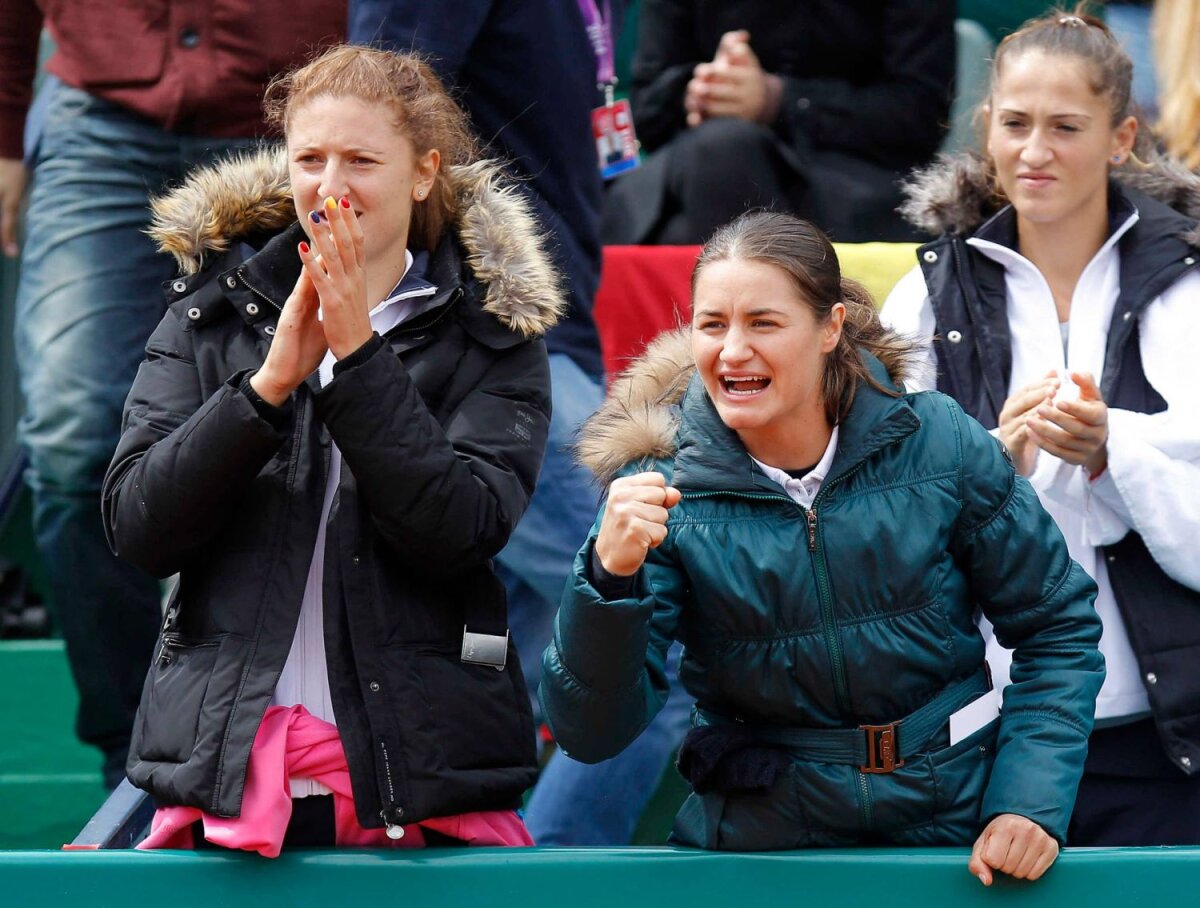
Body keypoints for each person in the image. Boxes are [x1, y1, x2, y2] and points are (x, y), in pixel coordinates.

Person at [541, 211, 1105, 882]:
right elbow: (591, 731)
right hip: (760, 849)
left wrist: (1026, 806)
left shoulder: (942, 441)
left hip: (955, 839)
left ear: (830, 328)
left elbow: (1057, 628)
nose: (733, 350)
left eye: (764, 323)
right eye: (712, 324)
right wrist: (608, 580)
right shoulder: (656, 491)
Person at [101, 45, 560, 853]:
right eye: (310, 158)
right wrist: (266, 388)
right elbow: (140, 527)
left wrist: (359, 358)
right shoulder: (207, 318)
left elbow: (457, 531)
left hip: (419, 783)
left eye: (361, 159)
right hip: (230, 775)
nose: (331, 183)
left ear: (423, 173)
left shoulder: (497, 338)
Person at [348, 0, 694, 846]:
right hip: (484, 348)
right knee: (666, 648)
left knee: (535, 670)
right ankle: (540, 885)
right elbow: (372, 119)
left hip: (532, 339)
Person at [0, 0, 346, 789]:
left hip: (300, 113)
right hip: (100, 119)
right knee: (70, 439)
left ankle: (288, 748)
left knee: (306, 437)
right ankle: (131, 762)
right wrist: (6, 129)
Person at [883, 9, 1200, 845]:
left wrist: (1114, 453)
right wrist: (993, 462)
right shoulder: (923, 298)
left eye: (1066, 127)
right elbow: (874, 527)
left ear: (1122, 136)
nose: (1035, 151)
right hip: (982, 731)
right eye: (1016, 124)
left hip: (1167, 737)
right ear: (986, 129)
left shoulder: (1189, 290)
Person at [600, 0, 956, 246]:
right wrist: (702, 92)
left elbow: (919, 116)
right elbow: (647, 110)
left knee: (725, 156)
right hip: (696, 169)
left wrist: (779, 100)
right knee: (723, 151)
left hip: (847, 177)